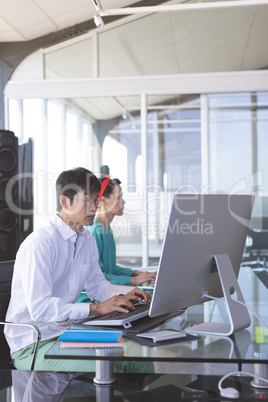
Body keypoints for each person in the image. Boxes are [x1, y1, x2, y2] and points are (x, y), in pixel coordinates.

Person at [4, 167, 152, 372]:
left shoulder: (86, 239)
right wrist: (96, 309)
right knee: (108, 365)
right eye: (88, 201)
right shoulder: (41, 243)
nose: (94, 207)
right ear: (66, 202)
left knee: (137, 359)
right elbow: (40, 309)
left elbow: (97, 286)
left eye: (96, 200)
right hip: (33, 344)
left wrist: (125, 295)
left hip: (67, 333)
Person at [77, 176, 157, 303]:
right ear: (102, 201)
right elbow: (99, 276)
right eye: (119, 197)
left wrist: (137, 273)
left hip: (105, 293)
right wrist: (133, 280)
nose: (123, 202)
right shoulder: (94, 231)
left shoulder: (106, 229)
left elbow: (111, 268)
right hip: (91, 300)